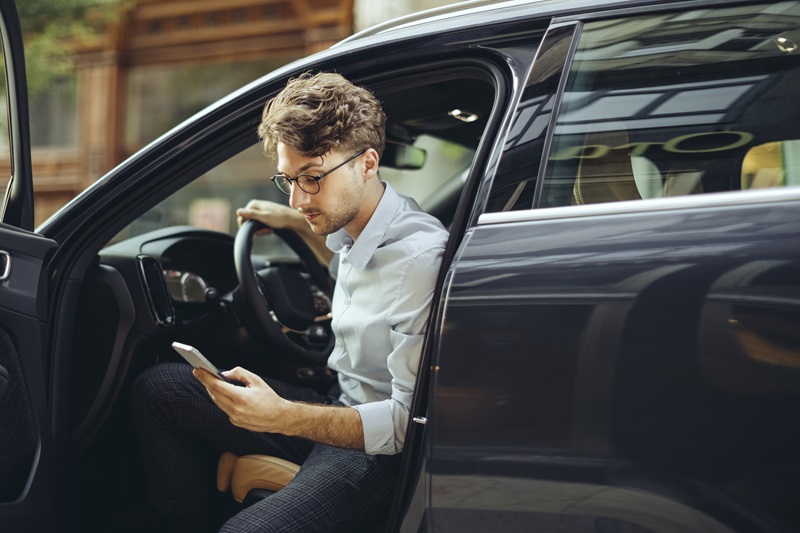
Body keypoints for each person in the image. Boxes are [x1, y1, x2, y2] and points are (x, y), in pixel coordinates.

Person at [132, 72, 449, 532]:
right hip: (337, 402)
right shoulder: (358, 228)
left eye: (313, 178)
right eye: (288, 180)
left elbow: (406, 423)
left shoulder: (419, 259)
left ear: (367, 162)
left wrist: (283, 417)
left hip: (378, 452)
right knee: (160, 390)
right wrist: (295, 224)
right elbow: (348, 268)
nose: (300, 197)